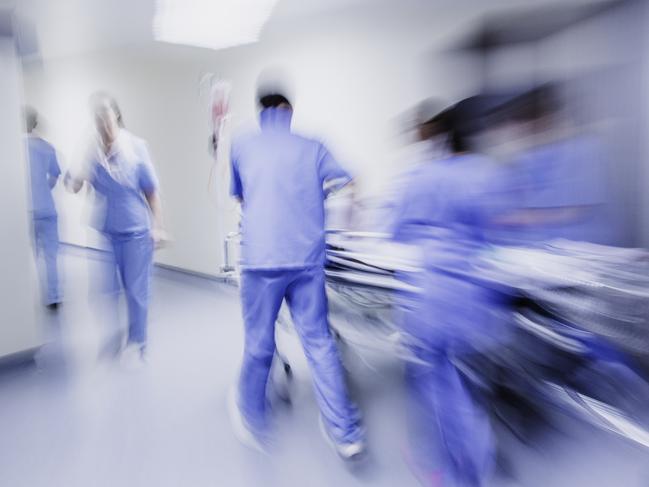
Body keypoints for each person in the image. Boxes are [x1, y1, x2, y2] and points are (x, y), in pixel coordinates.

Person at [228, 87, 365, 460]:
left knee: (259, 345)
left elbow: (240, 198)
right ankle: (345, 434)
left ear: (262, 111)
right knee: (319, 343)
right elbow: (352, 183)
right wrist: (345, 223)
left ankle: (252, 416)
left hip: (261, 261)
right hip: (306, 261)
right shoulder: (313, 146)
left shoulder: (241, 145)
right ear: (289, 110)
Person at [392, 99, 507, 486]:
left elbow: (397, 231)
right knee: (464, 386)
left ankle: (454, 472)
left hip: (434, 299)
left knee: (437, 385)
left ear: (439, 135)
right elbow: (497, 233)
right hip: (476, 300)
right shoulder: (487, 172)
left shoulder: (423, 177)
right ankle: (472, 461)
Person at [64, 92, 166, 365]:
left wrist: (158, 226)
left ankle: (138, 341)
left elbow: (151, 190)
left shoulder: (135, 147)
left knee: (136, 291)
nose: (103, 123)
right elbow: (74, 186)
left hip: (136, 231)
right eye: (97, 118)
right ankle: (114, 337)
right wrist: (76, 170)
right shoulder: (92, 152)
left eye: (106, 116)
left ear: (116, 116)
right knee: (105, 290)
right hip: (107, 230)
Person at [24, 106, 62, 310]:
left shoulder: (12, 148)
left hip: (25, 212)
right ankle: (54, 297)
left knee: (31, 256)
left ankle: (27, 298)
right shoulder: (47, 147)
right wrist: (43, 189)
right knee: (51, 258)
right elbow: (55, 175)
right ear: (35, 122)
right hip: (47, 208)